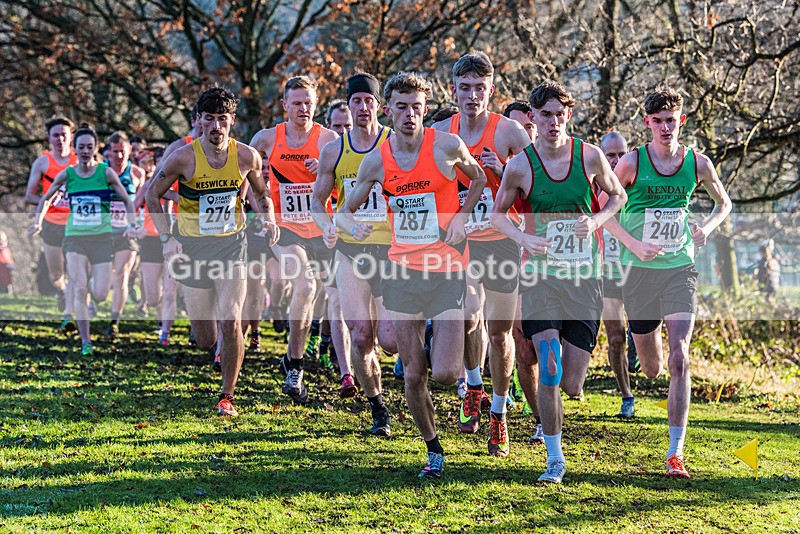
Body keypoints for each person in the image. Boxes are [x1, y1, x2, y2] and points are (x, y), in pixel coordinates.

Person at [337, 71, 487, 478]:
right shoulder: (377, 160)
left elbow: (479, 178)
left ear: (424, 110)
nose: (409, 115)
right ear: (388, 110)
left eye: (417, 108)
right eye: (401, 107)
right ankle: (433, 449)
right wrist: (352, 228)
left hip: (445, 269)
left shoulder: (447, 146)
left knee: (444, 373)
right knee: (414, 373)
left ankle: (461, 351)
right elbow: (343, 211)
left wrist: (460, 215)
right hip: (401, 273)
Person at [491, 80, 627, 483]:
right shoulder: (520, 166)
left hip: (584, 277)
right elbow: (498, 215)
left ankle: (556, 433)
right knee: (547, 365)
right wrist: (524, 236)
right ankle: (555, 459)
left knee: (570, 382)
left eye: (560, 114)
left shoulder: (590, 157)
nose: (553, 122)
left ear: (569, 115)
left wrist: (597, 220)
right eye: (545, 115)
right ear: (532, 118)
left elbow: (617, 196)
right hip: (540, 276)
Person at [604, 86, 732, 478]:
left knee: (681, 356)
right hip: (639, 272)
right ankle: (646, 342)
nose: (664, 127)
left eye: (671, 120)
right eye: (657, 120)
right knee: (652, 368)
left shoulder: (697, 163)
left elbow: (723, 203)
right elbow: (604, 212)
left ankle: (675, 452)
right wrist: (633, 244)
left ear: (682, 121)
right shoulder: (629, 163)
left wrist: (706, 227)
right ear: (647, 123)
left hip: (680, 269)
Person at [146, 85, 279, 417]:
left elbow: (262, 194)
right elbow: (152, 196)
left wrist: (270, 219)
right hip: (191, 249)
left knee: (231, 319)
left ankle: (227, 396)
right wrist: (167, 238)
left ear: (232, 120)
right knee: (205, 337)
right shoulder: (182, 157)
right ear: (198, 121)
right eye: (209, 119)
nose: (217, 126)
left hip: (232, 245)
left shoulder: (247, 156)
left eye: (223, 119)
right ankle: (212, 347)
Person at [432, 52, 531, 457]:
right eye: (465, 88)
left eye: (480, 88)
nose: (472, 95)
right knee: (471, 311)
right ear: (453, 90)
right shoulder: (439, 131)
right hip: (459, 239)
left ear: (491, 91)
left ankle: (499, 409)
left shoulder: (509, 132)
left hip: (502, 238)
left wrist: (504, 166)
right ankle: (473, 381)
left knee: (500, 331)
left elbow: (535, 183)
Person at [313, 72, 397, 433]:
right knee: (361, 334)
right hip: (350, 251)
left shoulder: (396, 143)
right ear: (347, 106)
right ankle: (377, 406)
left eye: (369, 101)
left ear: (380, 106)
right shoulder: (335, 150)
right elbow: (318, 202)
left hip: (393, 252)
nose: (363, 108)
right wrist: (330, 226)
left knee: (391, 341)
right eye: (356, 101)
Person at [250, 76, 338, 403]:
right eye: (297, 103)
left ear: (316, 106)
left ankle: (291, 355)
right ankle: (297, 368)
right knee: (305, 285)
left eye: (309, 103)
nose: (303, 109)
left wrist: (325, 172)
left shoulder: (329, 140)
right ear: (285, 105)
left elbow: (348, 186)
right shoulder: (266, 139)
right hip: (284, 228)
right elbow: (246, 175)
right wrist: (262, 213)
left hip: (320, 229)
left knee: (325, 294)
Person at [31, 123, 137, 355]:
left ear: (95, 148)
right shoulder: (68, 174)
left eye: (90, 146)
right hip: (75, 238)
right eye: (81, 147)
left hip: (101, 239)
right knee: (78, 288)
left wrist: (133, 224)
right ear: (75, 149)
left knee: (99, 293)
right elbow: (45, 198)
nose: (85, 151)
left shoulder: (105, 172)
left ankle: (90, 285)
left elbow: (128, 200)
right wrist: (38, 221)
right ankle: (86, 341)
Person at [503, 98, 543, 443]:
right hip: (506, 256)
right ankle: (542, 417)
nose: (526, 134)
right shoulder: (502, 167)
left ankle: (553, 400)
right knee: (522, 342)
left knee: (547, 339)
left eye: (529, 127)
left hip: (547, 261)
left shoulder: (554, 164)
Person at [24, 117, 78, 327]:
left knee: (75, 269)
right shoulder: (43, 162)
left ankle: (70, 313)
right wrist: (46, 201)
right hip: (51, 222)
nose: (60, 139)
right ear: (49, 138)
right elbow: (29, 196)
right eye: (55, 135)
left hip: (76, 223)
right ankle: (62, 291)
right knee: (56, 273)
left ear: (71, 137)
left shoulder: (79, 159)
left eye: (64, 134)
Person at [598, 131, 636, 418]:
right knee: (615, 337)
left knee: (643, 329)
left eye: (622, 154)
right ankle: (626, 395)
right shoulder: (592, 186)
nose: (617, 160)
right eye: (611, 155)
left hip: (638, 270)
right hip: (607, 272)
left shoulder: (637, 186)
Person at [104, 131, 146, 339]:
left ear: (130, 151)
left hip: (126, 232)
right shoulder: (100, 172)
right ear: (108, 152)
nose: (119, 156)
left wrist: (137, 225)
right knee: (100, 283)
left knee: (122, 273)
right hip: (102, 233)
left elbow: (139, 204)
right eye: (115, 152)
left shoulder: (137, 174)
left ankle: (114, 321)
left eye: (123, 151)